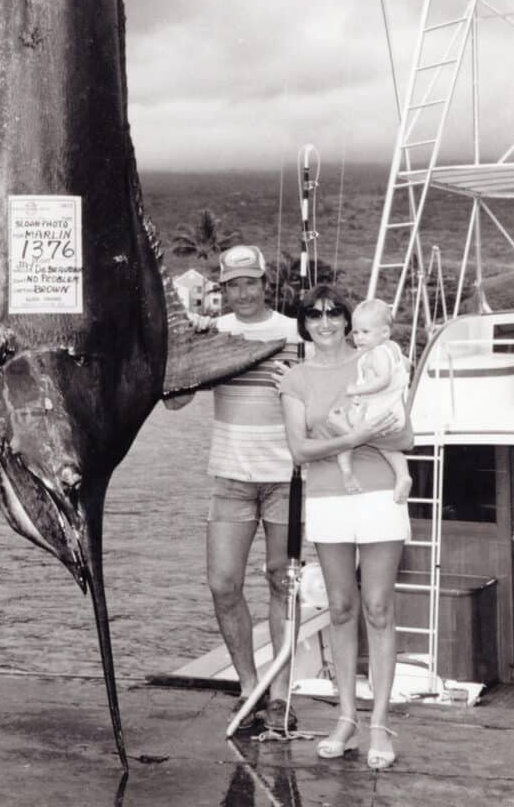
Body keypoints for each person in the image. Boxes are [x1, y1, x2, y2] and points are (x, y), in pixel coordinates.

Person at [167, 244, 302, 734]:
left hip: (287, 479)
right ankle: (250, 687)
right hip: (229, 476)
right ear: (221, 290)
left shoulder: (294, 333)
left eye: (251, 283)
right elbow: (176, 402)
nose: (242, 293)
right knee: (223, 584)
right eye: (232, 286)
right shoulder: (217, 333)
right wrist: (189, 349)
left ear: (266, 283)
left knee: (280, 585)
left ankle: (282, 698)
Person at [278, 284, 412, 771]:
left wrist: (361, 436)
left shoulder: (375, 358)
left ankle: (379, 722)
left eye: (336, 313)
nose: (326, 322)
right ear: (304, 322)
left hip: (379, 494)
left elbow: (406, 434)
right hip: (328, 499)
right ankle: (346, 719)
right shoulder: (294, 379)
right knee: (339, 608)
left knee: (377, 608)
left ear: (349, 320)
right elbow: (299, 451)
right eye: (314, 315)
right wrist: (356, 436)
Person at [330, 298, 412, 503]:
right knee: (389, 448)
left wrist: (356, 389)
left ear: (384, 332)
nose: (358, 338)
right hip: (393, 414)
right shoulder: (394, 350)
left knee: (343, 429)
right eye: (356, 332)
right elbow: (407, 366)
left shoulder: (376, 353)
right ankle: (403, 475)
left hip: (377, 414)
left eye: (365, 332)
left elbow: (383, 381)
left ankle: (346, 471)